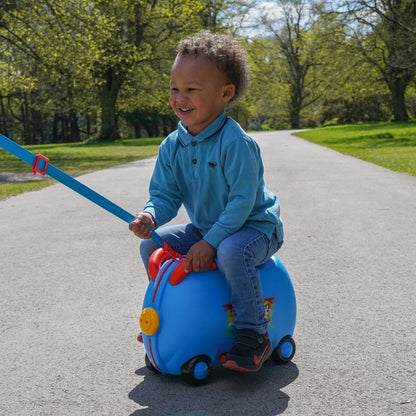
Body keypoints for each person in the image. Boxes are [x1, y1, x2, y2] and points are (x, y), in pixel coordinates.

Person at [129, 30, 284, 372]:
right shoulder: (172, 146)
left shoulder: (236, 143)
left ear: (225, 94)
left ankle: (254, 334)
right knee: (152, 248)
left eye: (191, 89)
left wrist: (211, 243)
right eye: (174, 88)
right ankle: (170, 313)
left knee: (231, 250)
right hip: (207, 228)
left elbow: (242, 204)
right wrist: (151, 216)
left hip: (255, 228)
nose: (179, 97)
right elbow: (165, 194)